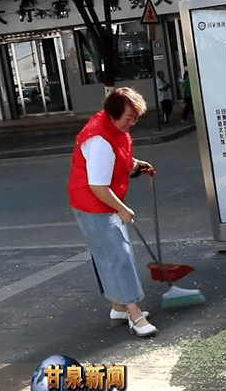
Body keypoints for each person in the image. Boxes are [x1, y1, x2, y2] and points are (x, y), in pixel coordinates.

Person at [68, 87, 158, 337]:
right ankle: (134, 313)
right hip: (93, 203)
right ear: (113, 113)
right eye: (129, 117)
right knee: (119, 256)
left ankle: (118, 306)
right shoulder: (98, 140)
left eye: (136, 117)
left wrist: (136, 166)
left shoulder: (114, 128)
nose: (133, 122)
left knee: (108, 255)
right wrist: (123, 208)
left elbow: (119, 157)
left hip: (98, 201)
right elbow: (97, 185)